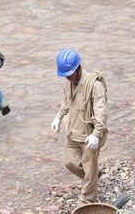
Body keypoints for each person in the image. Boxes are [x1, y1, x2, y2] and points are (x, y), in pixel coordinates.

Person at [50, 48, 108, 205]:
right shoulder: (69, 83)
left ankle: (87, 199)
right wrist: (58, 117)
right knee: (69, 163)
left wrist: (96, 134)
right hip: (72, 132)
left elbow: (101, 112)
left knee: (89, 169)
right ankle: (94, 177)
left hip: (89, 135)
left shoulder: (95, 86)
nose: (67, 77)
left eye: (69, 74)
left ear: (77, 69)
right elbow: (66, 103)